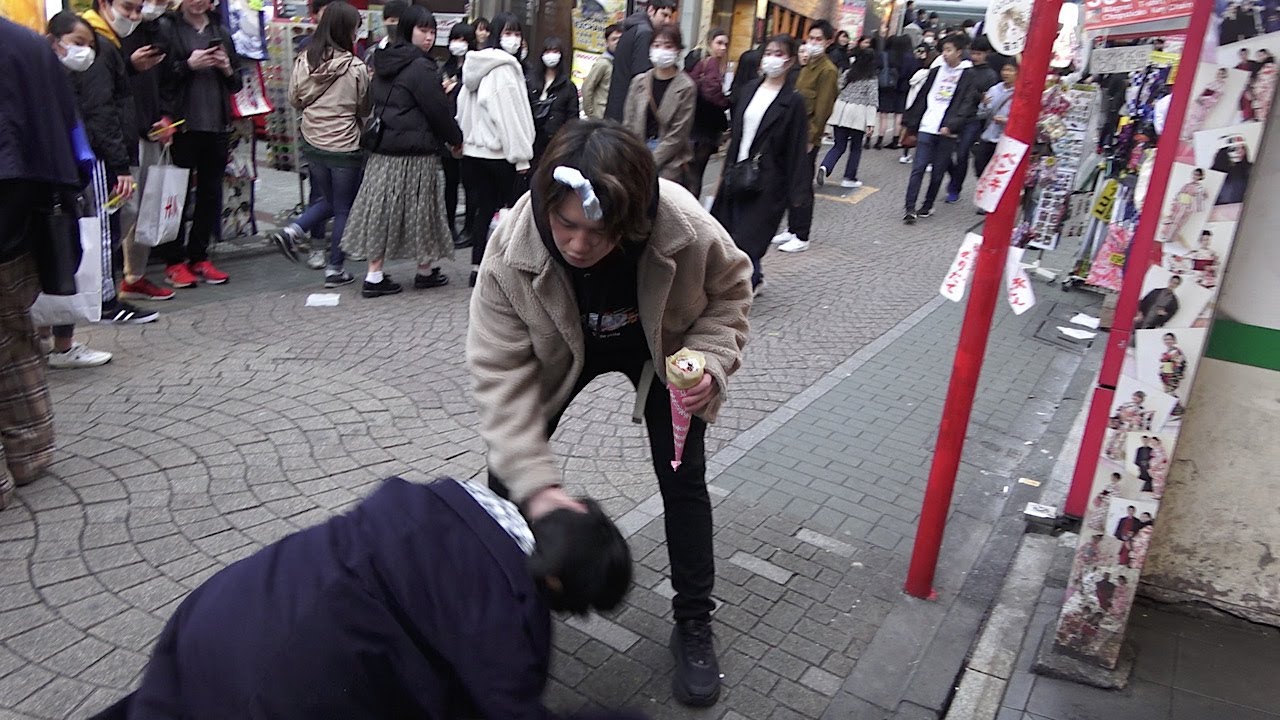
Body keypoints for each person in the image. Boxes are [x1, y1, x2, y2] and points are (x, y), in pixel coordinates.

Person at [467, 120, 752, 708]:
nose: (577, 244)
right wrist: (537, 485)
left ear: (630, 220)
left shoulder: (684, 226)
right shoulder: (512, 246)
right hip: (558, 351)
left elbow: (732, 291)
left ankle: (694, 622)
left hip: (661, 351)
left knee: (684, 480)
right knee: (506, 478)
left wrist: (709, 360)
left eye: (598, 233)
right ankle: (503, 614)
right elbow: (499, 370)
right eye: (565, 225)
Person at [87, 476, 642, 719]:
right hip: (291, 693)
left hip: (218, 614)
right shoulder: (508, 630)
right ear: (557, 588)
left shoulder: (439, 502)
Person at [0, 17, 88, 508]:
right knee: (14, 336)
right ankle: (30, 449)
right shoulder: (30, 45)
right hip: (27, 217)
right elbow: (63, 124)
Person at [47, 10, 159, 356]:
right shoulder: (93, 56)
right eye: (77, 44)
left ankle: (75, 315)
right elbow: (100, 111)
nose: (134, 14)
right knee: (100, 228)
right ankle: (105, 301)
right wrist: (120, 164)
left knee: (93, 228)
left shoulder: (100, 51)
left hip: (74, 157)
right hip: (89, 156)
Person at [341, 5, 461, 297]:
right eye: (423, 30)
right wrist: (455, 139)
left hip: (384, 151)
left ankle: (374, 274)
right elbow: (437, 111)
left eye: (433, 31)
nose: (429, 37)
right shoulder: (422, 66)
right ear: (409, 30)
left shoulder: (384, 59)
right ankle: (423, 271)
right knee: (424, 210)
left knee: (382, 211)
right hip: (415, 152)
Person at [270, 2, 369, 289]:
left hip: (312, 141)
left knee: (327, 200)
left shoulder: (304, 60)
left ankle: (293, 230)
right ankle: (335, 268)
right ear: (345, 30)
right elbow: (364, 108)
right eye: (354, 28)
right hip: (345, 144)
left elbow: (294, 98)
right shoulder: (355, 67)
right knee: (342, 208)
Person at [155, 0, 243, 288]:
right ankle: (174, 260)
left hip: (216, 124)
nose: (199, 2)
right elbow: (157, 77)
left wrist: (227, 67)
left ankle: (199, 256)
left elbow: (237, 84)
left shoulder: (221, 30)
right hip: (182, 124)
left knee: (210, 194)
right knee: (176, 196)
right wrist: (188, 65)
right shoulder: (168, 28)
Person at [712, 35, 808, 295]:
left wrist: (798, 197)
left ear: (789, 60)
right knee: (729, 231)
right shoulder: (749, 90)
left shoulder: (793, 102)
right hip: (738, 172)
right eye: (769, 52)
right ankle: (754, 276)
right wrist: (722, 175)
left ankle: (746, 285)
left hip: (768, 181)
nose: (772, 58)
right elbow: (737, 135)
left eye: (779, 53)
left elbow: (797, 150)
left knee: (749, 236)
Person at [456, 11, 535, 288]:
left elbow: (462, 110)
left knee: (482, 211)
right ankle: (508, 267)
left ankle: (477, 266)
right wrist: (522, 156)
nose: (513, 39)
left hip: (474, 153)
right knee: (513, 211)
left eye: (516, 33)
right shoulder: (504, 69)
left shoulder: (473, 67)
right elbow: (509, 117)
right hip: (500, 153)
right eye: (508, 33)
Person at [117, 0, 179, 303]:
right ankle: (105, 280)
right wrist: (128, 65)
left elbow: (168, 78)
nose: (145, 8)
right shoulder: (104, 34)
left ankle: (135, 277)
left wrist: (166, 116)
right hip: (122, 137)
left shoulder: (160, 28)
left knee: (145, 208)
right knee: (123, 210)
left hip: (152, 129)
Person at [771, 20, 838, 254]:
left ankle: (802, 233)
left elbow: (822, 108)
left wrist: (812, 137)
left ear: (829, 42)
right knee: (789, 182)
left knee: (802, 186)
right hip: (793, 133)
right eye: (811, 38)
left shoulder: (828, 70)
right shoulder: (808, 66)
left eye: (819, 39)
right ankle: (791, 228)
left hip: (807, 137)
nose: (814, 43)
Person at [901, 33, 979, 225]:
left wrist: (952, 125)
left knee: (938, 171)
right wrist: (909, 121)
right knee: (918, 168)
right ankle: (910, 208)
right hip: (927, 125)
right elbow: (922, 96)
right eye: (944, 49)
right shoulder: (936, 71)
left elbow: (966, 104)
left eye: (949, 50)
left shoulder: (968, 74)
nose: (945, 54)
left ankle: (927, 204)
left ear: (959, 52)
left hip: (947, 130)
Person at [623, 25, 696, 190]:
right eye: (656, 45)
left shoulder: (686, 86)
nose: (661, 50)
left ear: (678, 50)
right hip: (637, 153)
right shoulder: (639, 81)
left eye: (668, 46)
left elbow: (678, 134)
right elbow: (628, 122)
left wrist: (650, 161)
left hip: (669, 161)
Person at [944, 35, 998, 203]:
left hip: (973, 118)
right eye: (973, 53)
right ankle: (954, 178)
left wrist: (976, 96)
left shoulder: (990, 75)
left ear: (986, 54)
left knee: (961, 154)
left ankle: (955, 188)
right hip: (955, 115)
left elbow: (986, 99)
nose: (975, 57)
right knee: (944, 153)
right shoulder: (965, 69)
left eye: (979, 54)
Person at [604, 0, 677, 121]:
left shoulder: (633, 28)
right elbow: (643, 74)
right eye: (664, 15)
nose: (667, 21)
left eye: (670, 17)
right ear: (651, 10)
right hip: (627, 112)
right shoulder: (645, 33)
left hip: (617, 107)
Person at [819, 42, 877, 189]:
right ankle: (849, 177)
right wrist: (871, 122)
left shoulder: (848, 73)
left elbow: (838, 88)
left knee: (839, 145)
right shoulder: (871, 78)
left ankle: (825, 166)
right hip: (858, 113)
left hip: (841, 109)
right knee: (856, 148)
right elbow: (872, 100)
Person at [687, 28, 731, 199]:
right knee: (697, 173)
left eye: (726, 44)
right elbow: (712, 91)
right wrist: (726, 102)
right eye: (719, 43)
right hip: (705, 125)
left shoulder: (692, 59)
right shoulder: (711, 61)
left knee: (687, 172)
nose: (723, 48)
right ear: (709, 42)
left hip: (690, 120)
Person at [441, 22, 474, 248]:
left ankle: (469, 228)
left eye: (463, 39)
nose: (458, 44)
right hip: (448, 133)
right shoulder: (444, 67)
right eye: (455, 39)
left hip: (470, 134)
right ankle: (449, 225)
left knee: (470, 184)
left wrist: (459, 86)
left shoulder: (475, 67)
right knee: (450, 183)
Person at [527, 36, 580, 171]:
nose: (551, 55)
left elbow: (573, 118)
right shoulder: (530, 82)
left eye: (556, 51)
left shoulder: (568, 86)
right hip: (532, 140)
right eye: (548, 51)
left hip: (556, 143)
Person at [973, 57, 1017, 181]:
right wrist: (985, 105)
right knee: (980, 166)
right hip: (988, 135)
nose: (1006, 73)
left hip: (1005, 139)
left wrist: (1006, 121)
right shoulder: (994, 89)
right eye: (1004, 70)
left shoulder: (1020, 94)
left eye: (1010, 70)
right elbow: (980, 114)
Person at [876, 35, 915, 150]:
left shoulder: (888, 55)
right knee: (899, 115)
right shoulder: (910, 57)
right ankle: (895, 140)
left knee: (883, 115)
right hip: (903, 88)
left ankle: (879, 140)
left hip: (887, 87)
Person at [582, 23, 622, 120]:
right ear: (607, 42)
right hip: (601, 116)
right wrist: (591, 114)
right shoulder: (603, 63)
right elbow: (587, 88)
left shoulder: (622, 62)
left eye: (620, 38)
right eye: (613, 39)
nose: (617, 42)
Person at [362, 0, 406, 71]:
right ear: (384, 21)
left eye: (400, 21)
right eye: (392, 21)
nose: (396, 25)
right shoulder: (371, 53)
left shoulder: (415, 52)